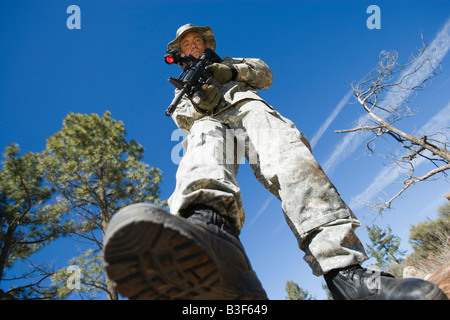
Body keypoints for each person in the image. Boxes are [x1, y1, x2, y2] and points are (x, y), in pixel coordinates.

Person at [103, 24, 447, 300]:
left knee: (292, 161)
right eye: (185, 45)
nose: (192, 47)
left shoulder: (233, 62)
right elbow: (184, 119)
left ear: (206, 43)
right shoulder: (180, 90)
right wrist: (201, 100)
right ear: (178, 55)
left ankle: (347, 275)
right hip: (211, 124)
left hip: (249, 111)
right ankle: (210, 238)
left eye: (196, 41)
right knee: (202, 145)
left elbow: (264, 75)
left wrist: (229, 72)